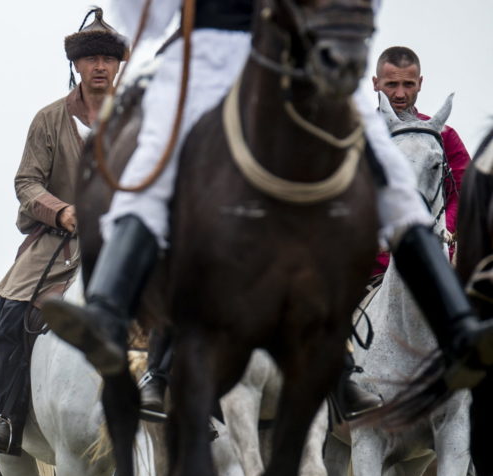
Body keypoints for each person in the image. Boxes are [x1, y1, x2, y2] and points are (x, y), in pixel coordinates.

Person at [43, 0, 493, 406]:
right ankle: (455, 326)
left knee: (155, 170)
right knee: (389, 182)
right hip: (306, 62)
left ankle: (107, 309)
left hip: (221, 58)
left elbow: (148, 17)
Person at [0, 8, 124, 459]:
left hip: (124, 239)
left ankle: (199, 409)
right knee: (6, 315)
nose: (99, 66)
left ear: (118, 66)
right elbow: (26, 183)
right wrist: (62, 212)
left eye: (107, 59)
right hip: (57, 243)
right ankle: (2, 416)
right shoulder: (49, 119)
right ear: (76, 65)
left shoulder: (138, 116)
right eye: (90, 58)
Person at [372, 45, 471, 274]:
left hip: (433, 265)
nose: (399, 94)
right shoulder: (354, 136)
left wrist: (437, 231)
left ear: (420, 83)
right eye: (391, 84)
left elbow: (464, 193)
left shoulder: (444, 135)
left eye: (408, 84)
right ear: (376, 83)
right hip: (365, 268)